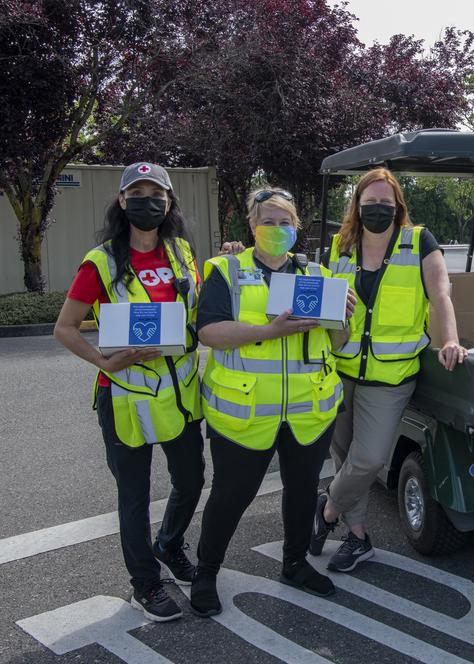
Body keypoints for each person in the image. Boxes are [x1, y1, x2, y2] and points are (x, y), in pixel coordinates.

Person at [190, 187, 355, 616]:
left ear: (297, 226)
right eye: (268, 221)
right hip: (244, 413)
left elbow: (338, 342)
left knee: (301, 493)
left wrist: (345, 316)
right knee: (231, 495)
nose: (277, 230)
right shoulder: (225, 270)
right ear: (251, 225)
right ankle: (207, 571)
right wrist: (268, 331)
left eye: (285, 223)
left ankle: (295, 563)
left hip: (308, 409)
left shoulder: (316, 274)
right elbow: (208, 332)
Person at [53, 163, 205, 622]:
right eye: (136, 192)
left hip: (179, 394)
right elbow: (65, 328)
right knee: (135, 497)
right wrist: (103, 361)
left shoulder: (181, 252)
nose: (147, 200)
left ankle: (169, 546)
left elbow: (196, 311)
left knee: (192, 480)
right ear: (122, 202)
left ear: (169, 201)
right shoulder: (101, 261)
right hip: (124, 396)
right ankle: (145, 583)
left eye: (155, 192)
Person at [310, 167, 465, 572]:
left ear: (398, 205)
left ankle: (326, 512)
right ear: (357, 205)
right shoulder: (340, 247)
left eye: (385, 201)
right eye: (370, 202)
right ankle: (358, 537)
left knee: (370, 459)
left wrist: (448, 339)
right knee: (344, 461)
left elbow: (441, 296)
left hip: (390, 376)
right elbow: (326, 305)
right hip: (340, 369)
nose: (378, 208)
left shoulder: (418, 242)